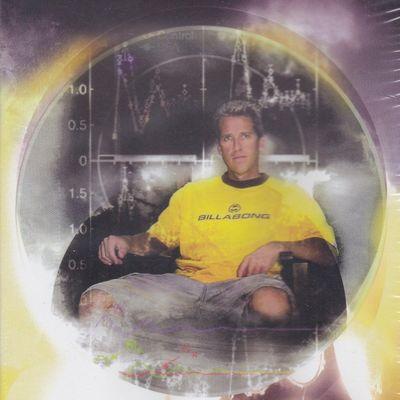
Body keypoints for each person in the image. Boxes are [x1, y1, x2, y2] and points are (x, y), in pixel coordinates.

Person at [79, 100, 337, 345]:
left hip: (247, 288)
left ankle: (257, 376)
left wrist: (280, 246)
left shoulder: (289, 196)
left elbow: (328, 252)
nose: (236, 147)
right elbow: (156, 241)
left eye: (245, 136)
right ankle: (125, 372)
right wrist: (125, 241)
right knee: (96, 301)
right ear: (220, 147)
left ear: (260, 143)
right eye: (228, 138)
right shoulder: (191, 194)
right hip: (186, 287)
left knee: (272, 305)